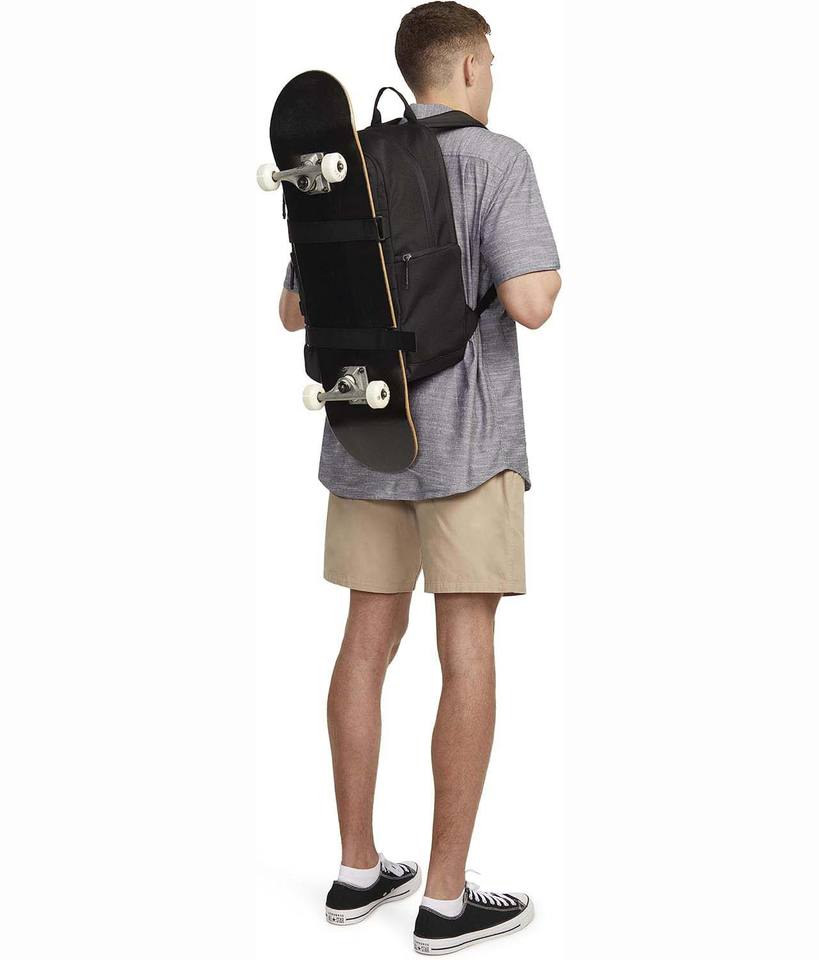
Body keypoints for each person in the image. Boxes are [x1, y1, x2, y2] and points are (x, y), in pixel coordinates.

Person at [278, 2, 561, 952]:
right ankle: (444, 899)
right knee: (465, 645)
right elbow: (530, 303)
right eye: (492, 62)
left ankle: (358, 870)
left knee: (364, 641)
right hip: (466, 445)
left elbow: (292, 311)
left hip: (365, 433)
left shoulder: (349, 161)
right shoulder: (498, 160)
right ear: (470, 65)